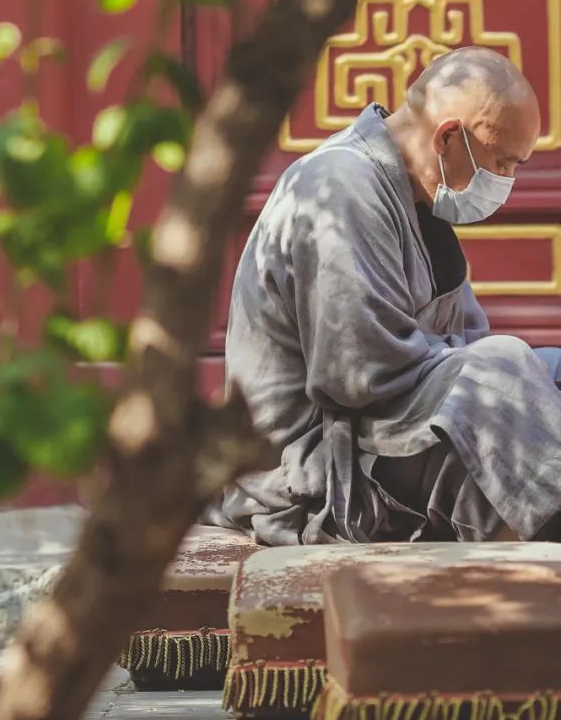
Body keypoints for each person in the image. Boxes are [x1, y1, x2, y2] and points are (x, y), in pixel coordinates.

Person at [213, 47, 561, 544]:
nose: (507, 181)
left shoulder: (420, 199)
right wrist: (486, 373)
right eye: (502, 161)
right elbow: (358, 378)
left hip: (392, 429)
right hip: (320, 466)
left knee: (545, 370)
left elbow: (464, 339)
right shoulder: (340, 186)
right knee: (503, 370)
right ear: (448, 137)